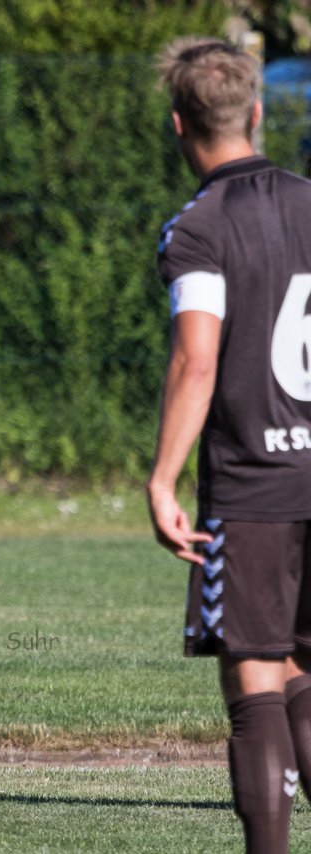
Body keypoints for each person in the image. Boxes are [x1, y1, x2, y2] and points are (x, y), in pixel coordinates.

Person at [149, 38, 311, 853]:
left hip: (254, 485)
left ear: (180, 125)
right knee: (303, 676)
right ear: (255, 112)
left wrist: (161, 479)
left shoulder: (199, 227)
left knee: (254, 673)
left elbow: (197, 357)